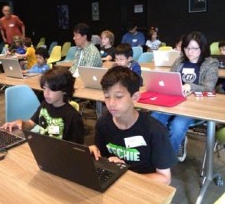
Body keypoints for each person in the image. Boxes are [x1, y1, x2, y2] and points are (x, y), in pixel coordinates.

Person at [89, 66, 176, 184]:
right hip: (114, 182)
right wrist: (95, 154)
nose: (111, 103)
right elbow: (103, 157)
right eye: (107, 96)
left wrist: (125, 174)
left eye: (119, 97)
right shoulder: (103, 123)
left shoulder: (155, 130)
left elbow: (165, 178)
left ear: (134, 97)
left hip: (142, 185)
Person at [151, 31, 219, 162]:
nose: (190, 52)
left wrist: (190, 86)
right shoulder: (179, 61)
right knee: (154, 120)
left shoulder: (210, 64)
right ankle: (158, 150)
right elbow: (170, 79)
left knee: (177, 126)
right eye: (187, 48)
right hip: (174, 100)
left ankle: (166, 159)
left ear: (202, 48)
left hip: (193, 105)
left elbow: (209, 87)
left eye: (194, 48)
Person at [1, 66, 84, 144]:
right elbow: (31, 124)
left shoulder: (72, 116)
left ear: (64, 90)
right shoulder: (45, 105)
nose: (46, 93)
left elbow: (75, 148)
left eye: (51, 89)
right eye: (44, 88)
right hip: (43, 146)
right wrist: (21, 123)